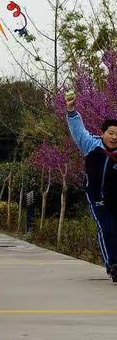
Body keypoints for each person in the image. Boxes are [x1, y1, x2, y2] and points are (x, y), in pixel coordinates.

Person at [66, 93, 117, 282]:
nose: (114, 137)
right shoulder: (91, 145)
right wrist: (71, 110)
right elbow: (78, 131)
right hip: (98, 198)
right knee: (107, 228)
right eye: (111, 133)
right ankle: (112, 265)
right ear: (103, 133)